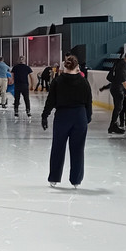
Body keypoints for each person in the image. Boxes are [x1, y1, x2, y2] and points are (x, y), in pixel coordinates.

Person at [41, 55, 93, 188]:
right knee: (78, 149)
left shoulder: (57, 81)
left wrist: (45, 115)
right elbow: (89, 102)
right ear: (77, 67)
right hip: (79, 117)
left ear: (65, 66)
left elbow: (50, 100)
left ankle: (54, 178)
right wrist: (87, 117)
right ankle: (76, 180)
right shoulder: (84, 82)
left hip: (62, 117)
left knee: (58, 147)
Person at [106, 50, 126, 134]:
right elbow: (123, 79)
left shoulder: (119, 62)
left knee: (118, 107)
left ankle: (113, 124)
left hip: (114, 87)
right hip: (117, 88)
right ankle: (112, 125)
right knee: (118, 107)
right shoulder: (123, 64)